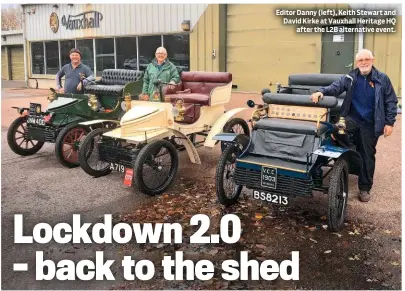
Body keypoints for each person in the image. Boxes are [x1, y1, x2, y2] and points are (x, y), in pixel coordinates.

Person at [311, 49, 398, 202]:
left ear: (373, 60)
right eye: (360, 60)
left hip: (370, 123)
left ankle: (364, 188)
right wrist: (321, 92)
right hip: (352, 118)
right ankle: (353, 154)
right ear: (356, 63)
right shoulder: (350, 77)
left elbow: (391, 101)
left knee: (368, 155)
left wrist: (389, 123)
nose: (364, 63)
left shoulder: (383, 79)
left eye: (367, 59)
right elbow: (335, 87)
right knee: (336, 128)